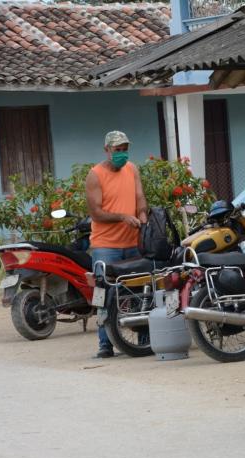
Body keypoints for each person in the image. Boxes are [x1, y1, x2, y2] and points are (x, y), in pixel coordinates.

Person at [86, 131, 148, 358]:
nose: (121, 154)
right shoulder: (95, 175)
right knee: (105, 294)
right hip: (106, 246)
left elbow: (140, 197)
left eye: (124, 149)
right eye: (117, 150)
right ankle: (105, 345)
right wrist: (123, 217)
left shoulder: (132, 169)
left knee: (141, 291)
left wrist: (142, 214)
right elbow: (96, 212)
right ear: (107, 150)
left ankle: (144, 340)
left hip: (133, 242)